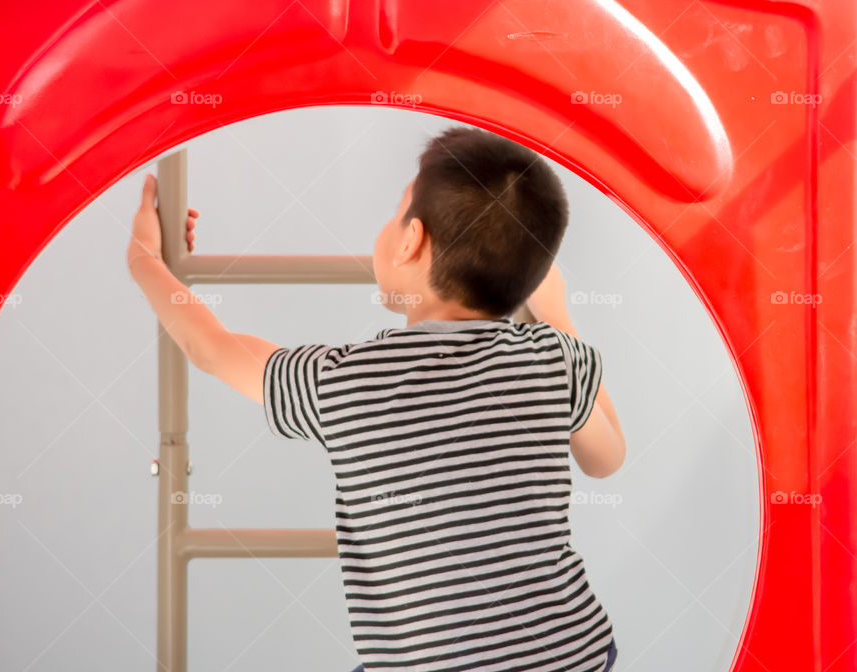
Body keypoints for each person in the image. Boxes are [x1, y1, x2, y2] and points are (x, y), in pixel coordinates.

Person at [127, 125, 626, 672]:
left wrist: (145, 261)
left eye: (395, 216)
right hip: (571, 654)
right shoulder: (553, 358)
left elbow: (213, 350)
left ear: (411, 239)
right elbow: (606, 459)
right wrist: (557, 317)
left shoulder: (346, 379)